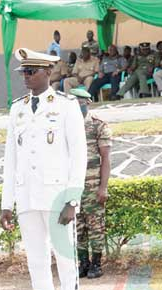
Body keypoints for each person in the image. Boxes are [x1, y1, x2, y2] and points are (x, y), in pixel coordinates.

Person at [0, 48, 87, 290]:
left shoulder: (65, 107)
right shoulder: (17, 109)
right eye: (23, 72)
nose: (26, 77)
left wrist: (72, 200)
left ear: (47, 73)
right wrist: (6, 203)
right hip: (27, 198)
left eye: (32, 71)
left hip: (57, 197)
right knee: (37, 265)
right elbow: (11, 157)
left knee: (66, 265)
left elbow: (79, 155)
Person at [69, 89, 112, 279]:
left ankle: (96, 264)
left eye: (80, 102)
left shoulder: (98, 126)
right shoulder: (66, 126)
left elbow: (106, 158)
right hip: (73, 187)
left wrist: (103, 187)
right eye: (73, 102)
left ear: (88, 102)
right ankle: (83, 263)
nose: (77, 105)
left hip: (93, 185)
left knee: (96, 226)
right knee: (77, 227)